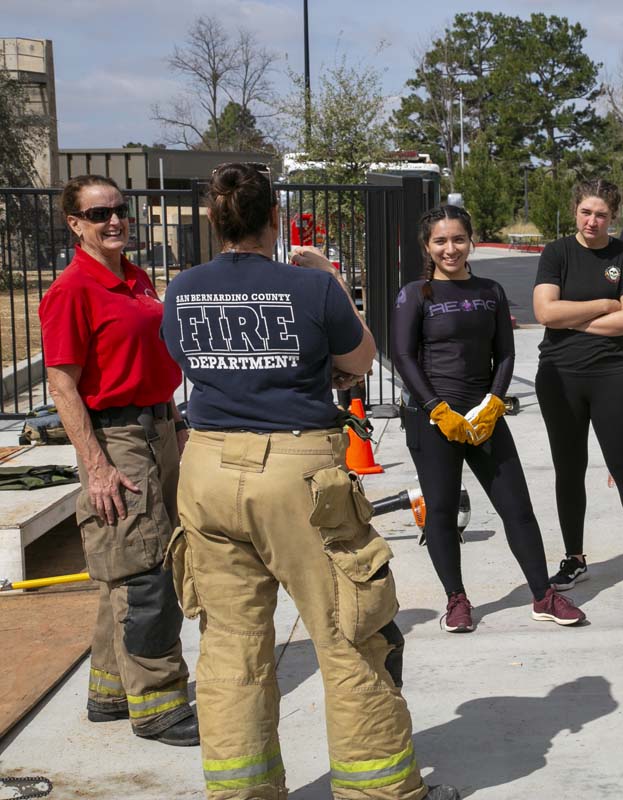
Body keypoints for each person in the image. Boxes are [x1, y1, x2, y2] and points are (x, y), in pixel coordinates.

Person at [161, 163, 458, 800]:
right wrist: (326, 280)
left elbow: (189, 361)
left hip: (208, 469)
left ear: (215, 222)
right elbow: (359, 360)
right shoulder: (311, 287)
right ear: (275, 217)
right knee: (349, 633)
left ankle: (242, 791)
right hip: (298, 472)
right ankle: (377, 791)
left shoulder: (183, 290)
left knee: (231, 647)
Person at [38, 174, 199, 747]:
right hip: (116, 436)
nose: (114, 220)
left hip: (156, 425)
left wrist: (175, 423)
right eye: (99, 213)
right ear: (75, 223)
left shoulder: (134, 279)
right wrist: (96, 464)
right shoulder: (71, 290)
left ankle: (110, 691)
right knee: (145, 569)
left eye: (120, 210)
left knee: (123, 572)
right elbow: (62, 386)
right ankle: (158, 704)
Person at [392, 204, 584, 633]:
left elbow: (507, 353)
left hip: (484, 418)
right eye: (440, 240)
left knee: (517, 508)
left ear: (470, 240)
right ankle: (456, 599)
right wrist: (436, 409)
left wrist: (494, 402)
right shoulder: (414, 294)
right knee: (440, 511)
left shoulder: (491, 291)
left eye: (458, 239)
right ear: (428, 245)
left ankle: (543, 594)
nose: (450, 248)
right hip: (432, 419)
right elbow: (403, 357)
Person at [533, 179, 623, 591]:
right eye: (586, 212)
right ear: (575, 210)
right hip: (559, 377)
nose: (592, 221)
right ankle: (574, 558)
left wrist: (571, 317)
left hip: (613, 376)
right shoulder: (557, 252)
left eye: (601, 215)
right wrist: (605, 304)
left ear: (613, 216)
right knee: (569, 469)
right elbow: (544, 312)